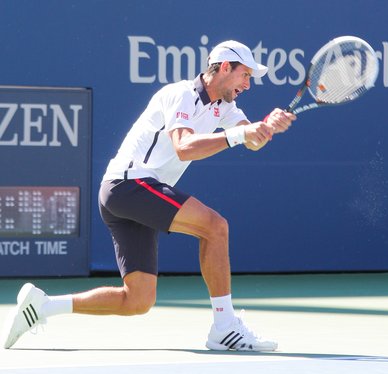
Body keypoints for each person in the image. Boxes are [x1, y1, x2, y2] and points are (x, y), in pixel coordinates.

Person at [1, 40, 296, 351]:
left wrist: (266, 127)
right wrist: (240, 135)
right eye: (245, 75)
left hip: (134, 196)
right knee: (215, 226)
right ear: (225, 67)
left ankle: (43, 306)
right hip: (128, 185)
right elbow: (184, 148)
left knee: (137, 300)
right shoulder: (180, 94)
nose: (248, 85)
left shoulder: (225, 107)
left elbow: (251, 140)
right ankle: (225, 327)